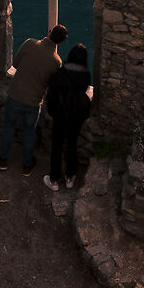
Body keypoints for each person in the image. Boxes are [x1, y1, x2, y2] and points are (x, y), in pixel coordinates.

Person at [0, 22, 66, 173]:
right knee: (29, 132)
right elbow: (51, 85)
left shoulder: (29, 44)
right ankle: (27, 165)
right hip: (34, 102)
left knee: (9, 126)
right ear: (60, 42)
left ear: (49, 32)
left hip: (15, 94)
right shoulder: (57, 61)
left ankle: (3, 159)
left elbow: (15, 64)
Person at [43, 43, 95, 190]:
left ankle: (54, 180)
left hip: (60, 113)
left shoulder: (60, 73)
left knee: (57, 146)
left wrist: (51, 112)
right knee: (72, 144)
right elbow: (83, 91)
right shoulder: (85, 75)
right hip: (77, 115)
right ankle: (70, 177)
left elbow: (51, 95)